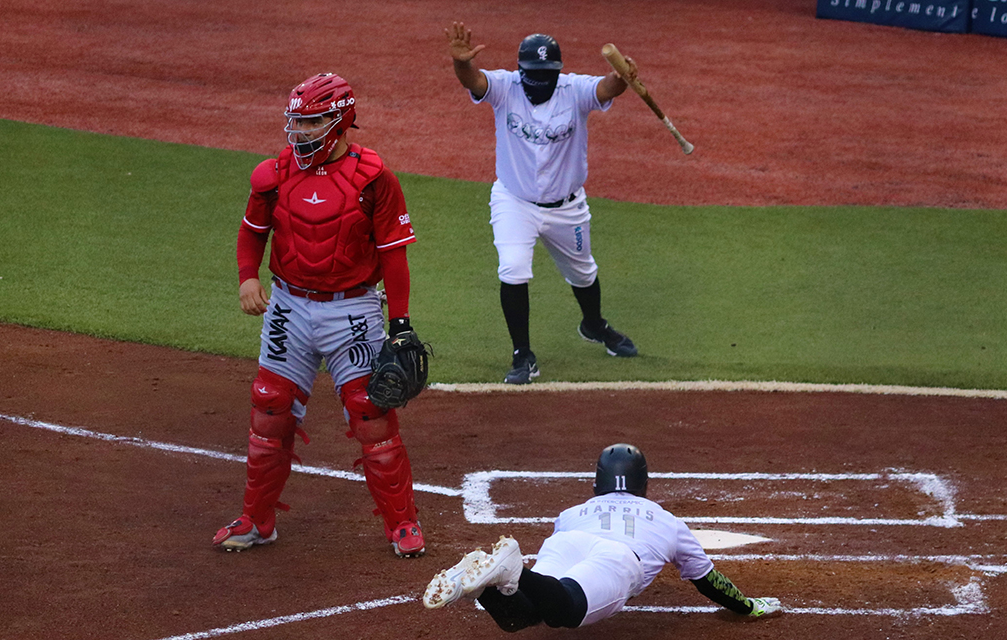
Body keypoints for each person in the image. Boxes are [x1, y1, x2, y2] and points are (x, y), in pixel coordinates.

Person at [212, 72, 427, 558]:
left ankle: (402, 525)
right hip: (288, 305)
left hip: (351, 307)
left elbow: (394, 255)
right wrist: (249, 277)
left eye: (312, 123)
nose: (302, 133)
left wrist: (401, 324)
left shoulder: (375, 180)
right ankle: (257, 521)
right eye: (298, 123)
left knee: (371, 414)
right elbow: (252, 232)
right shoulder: (273, 175)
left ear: (341, 119)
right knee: (270, 408)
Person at [445, 23, 640, 385]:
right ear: (521, 72)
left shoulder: (575, 90)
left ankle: (594, 325)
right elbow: (474, 82)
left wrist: (621, 77)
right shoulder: (505, 87)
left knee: (583, 273)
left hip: (567, 207)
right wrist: (460, 63)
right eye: (533, 74)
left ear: (558, 71)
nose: (539, 80)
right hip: (514, 201)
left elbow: (605, 88)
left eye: (546, 74)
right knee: (513, 269)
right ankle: (523, 355)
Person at [423, 444, 782, 629]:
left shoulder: (572, 514)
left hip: (567, 543)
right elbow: (707, 580)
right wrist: (746, 605)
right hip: (619, 558)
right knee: (566, 610)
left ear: (596, 484)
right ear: (644, 485)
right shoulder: (666, 519)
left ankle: (483, 583)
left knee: (525, 616)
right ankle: (512, 572)